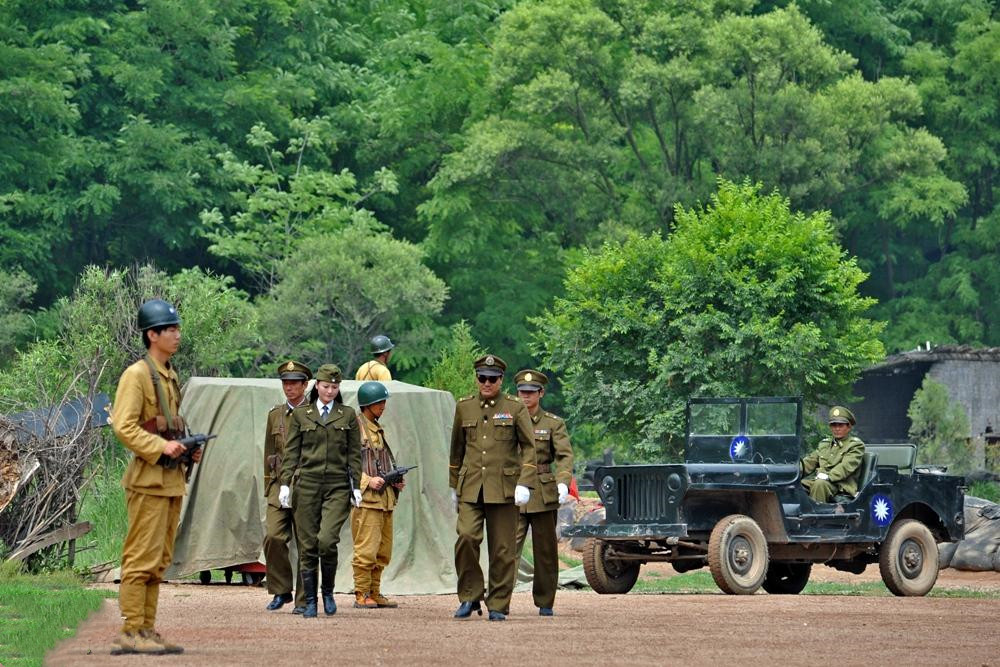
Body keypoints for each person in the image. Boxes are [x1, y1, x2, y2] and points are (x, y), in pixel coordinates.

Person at [110, 299, 201, 655]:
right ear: (152, 335)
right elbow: (123, 424)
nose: (177, 335)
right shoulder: (136, 375)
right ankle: (130, 631)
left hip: (170, 482)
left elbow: (169, 427)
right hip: (148, 480)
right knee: (140, 557)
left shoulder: (169, 374)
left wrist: (186, 447)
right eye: (170, 329)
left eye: (177, 328)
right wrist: (160, 448)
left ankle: (146, 629)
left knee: (160, 559)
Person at [449, 354, 538, 621]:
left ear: (501, 380)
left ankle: (498, 603)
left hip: (504, 488)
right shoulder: (464, 407)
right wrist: (453, 486)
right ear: (476, 378)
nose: (487, 383)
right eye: (482, 378)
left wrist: (525, 482)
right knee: (466, 538)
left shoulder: (515, 407)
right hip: (471, 487)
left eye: (492, 378)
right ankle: (469, 595)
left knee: (502, 549)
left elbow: (529, 449)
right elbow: (456, 449)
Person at [278, 364, 363, 619]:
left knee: (327, 540)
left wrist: (356, 486)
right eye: (326, 386)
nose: (330, 391)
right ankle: (311, 601)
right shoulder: (302, 415)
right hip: (307, 485)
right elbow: (291, 452)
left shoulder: (347, 415)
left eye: (335, 387)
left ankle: (328, 591)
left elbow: (355, 455)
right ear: (317, 385)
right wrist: (285, 483)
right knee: (308, 545)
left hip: (337, 485)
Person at [512, 369, 574, 617]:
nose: (525, 397)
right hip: (513, 491)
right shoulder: (508, 420)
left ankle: (545, 601)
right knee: (506, 549)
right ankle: (499, 600)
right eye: (521, 392)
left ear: (541, 393)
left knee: (546, 552)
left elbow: (565, 456)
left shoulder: (552, 423)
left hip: (542, 491)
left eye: (530, 392)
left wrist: (563, 482)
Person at [350, 381, 405, 609]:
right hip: (367, 500)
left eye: (383, 402)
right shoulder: (356, 427)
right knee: (366, 550)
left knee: (383, 550)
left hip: (384, 499)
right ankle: (361, 593)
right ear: (367, 405)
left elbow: (378, 462)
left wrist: (395, 481)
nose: (383, 406)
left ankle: (375, 591)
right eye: (378, 402)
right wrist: (367, 480)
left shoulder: (376, 427)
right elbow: (345, 461)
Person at [262, 360, 312, 613]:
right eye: (285, 383)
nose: (289, 387)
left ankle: (304, 600)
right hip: (279, 484)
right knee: (273, 537)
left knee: (305, 543)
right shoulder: (275, 414)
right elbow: (269, 454)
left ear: (305, 385)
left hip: (307, 484)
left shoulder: (315, 413)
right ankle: (281, 590)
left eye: (294, 383)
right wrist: (268, 486)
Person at [801, 406, 865, 503]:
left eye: (841, 425)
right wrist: (792, 471)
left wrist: (828, 476)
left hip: (841, 485)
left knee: (819, 484)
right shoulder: (824, 444)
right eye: (834, 425)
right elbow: (809, 462)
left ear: (849, 427)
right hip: (821, 481)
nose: (837, 428)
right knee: (794, 486)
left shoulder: (855, 445)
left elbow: (846, 467)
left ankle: (815, 517)